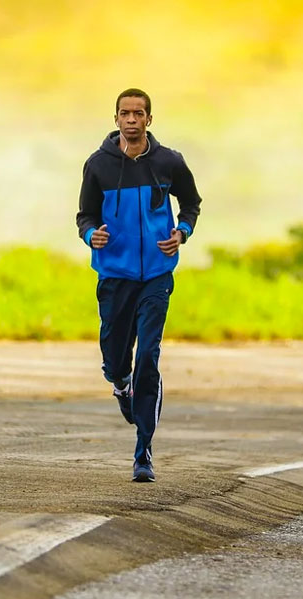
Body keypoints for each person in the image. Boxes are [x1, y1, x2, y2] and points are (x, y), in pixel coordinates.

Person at [75, 88, 202, 482]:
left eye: (138, 114)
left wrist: (181, 232)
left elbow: (192, 204)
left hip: (157, 276)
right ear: (115, 119)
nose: (131, 120)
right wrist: (90, 234)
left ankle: (143, 450)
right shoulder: (97, 165)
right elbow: (84, 215)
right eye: (124, 114)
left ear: (149, 119)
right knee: (117, 359)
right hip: (115, 275)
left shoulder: (169, 162)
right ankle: (120, 383)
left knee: (149, 354)